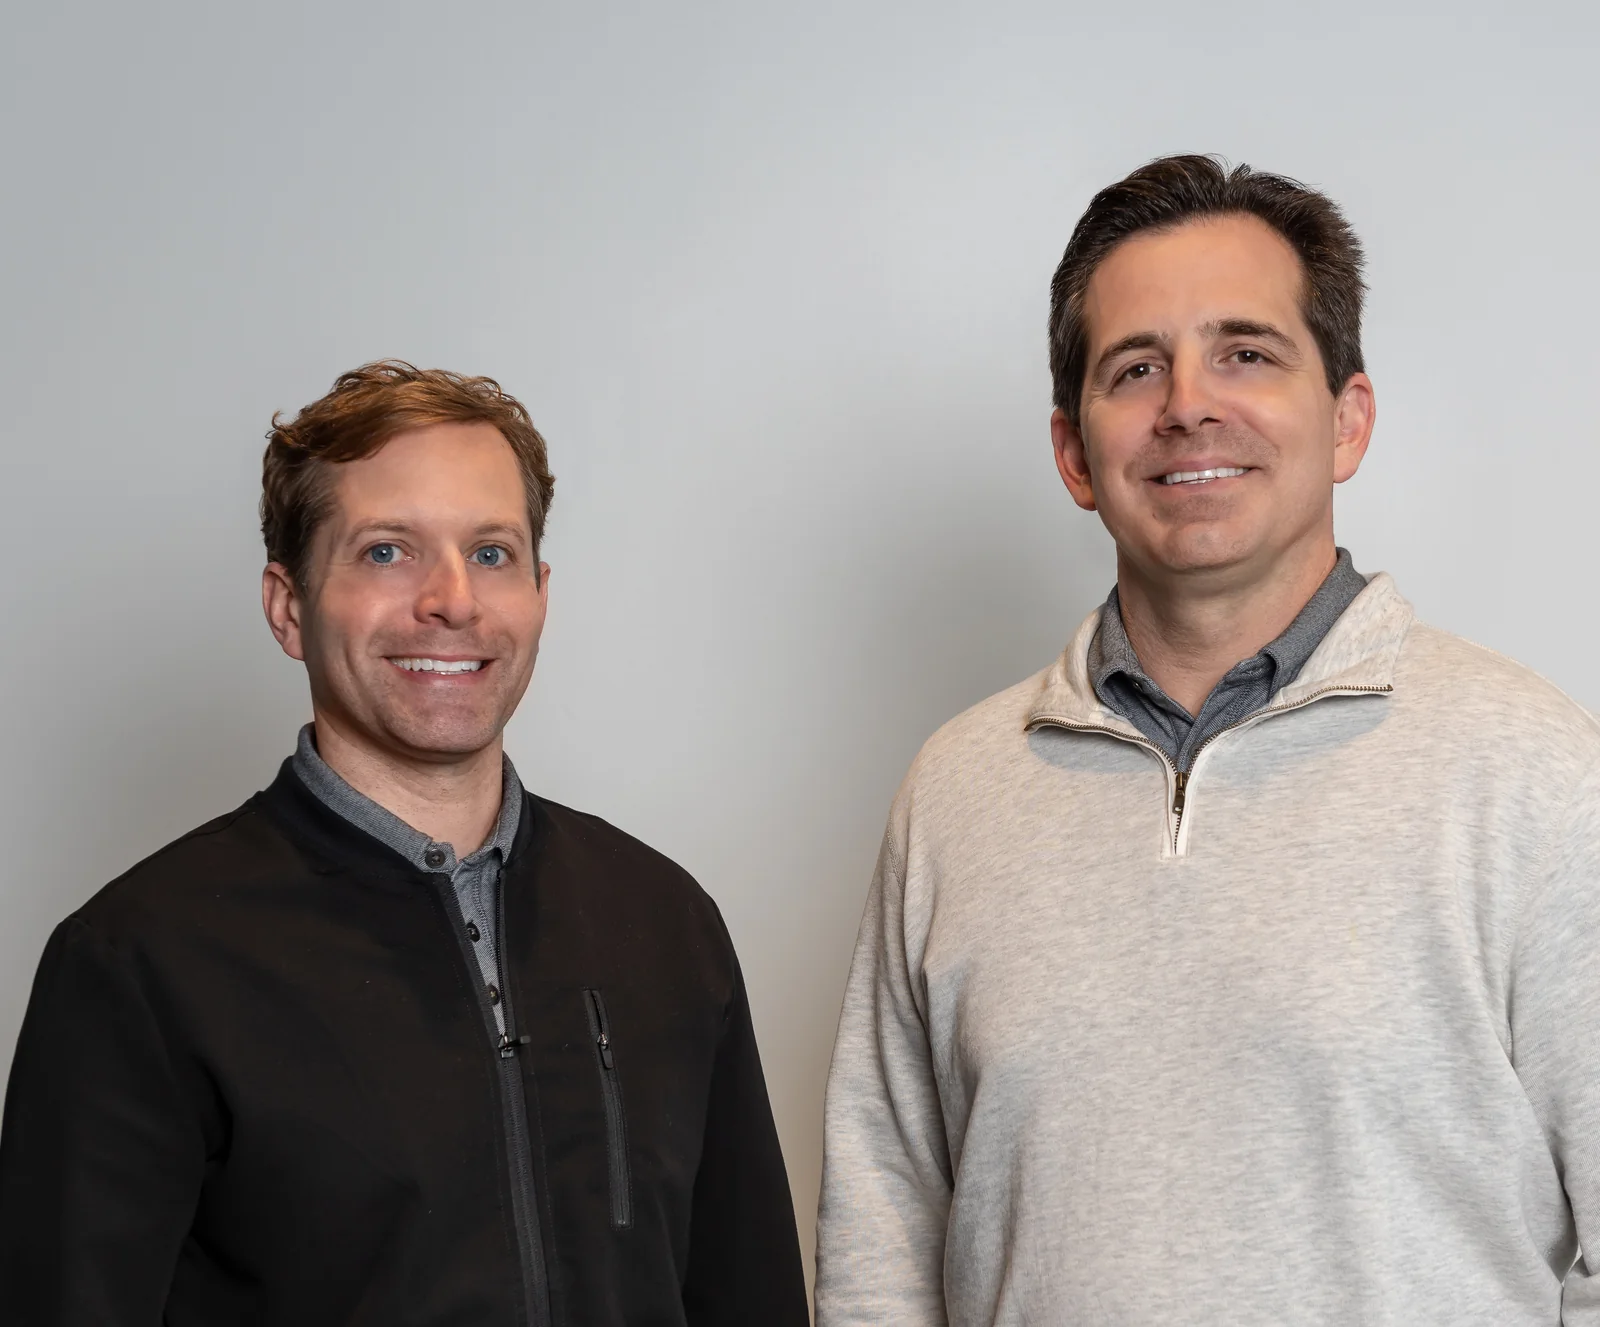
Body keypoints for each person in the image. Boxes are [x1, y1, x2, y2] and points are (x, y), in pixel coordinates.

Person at [814, 156, 1600, 1325]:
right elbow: (879, 1245)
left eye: (1246, 353)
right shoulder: (955, 793)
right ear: (1073, 453)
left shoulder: (1533, 771)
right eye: (1136, 368)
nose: (1187, 403)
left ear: (1346, 419)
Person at [0, 361, 808, 1325]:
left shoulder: (665, 920)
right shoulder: (138, 961)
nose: (453, 600)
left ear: (541, 593)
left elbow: (750, 1297)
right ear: (288, 606)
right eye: (387, 551)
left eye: (492, 552)